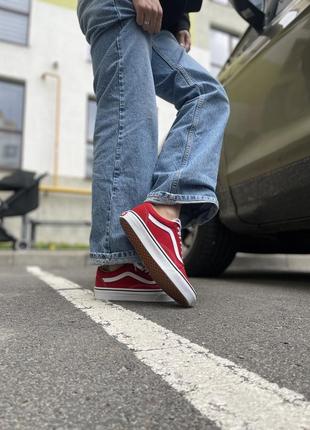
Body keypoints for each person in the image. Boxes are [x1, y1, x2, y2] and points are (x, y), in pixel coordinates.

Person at [77, 0, 230, 307]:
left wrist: (180, 21)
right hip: (121, 5)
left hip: (160, 21)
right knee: (131, 112)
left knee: (207, 96)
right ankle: (120, 262)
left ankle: (164, 210)